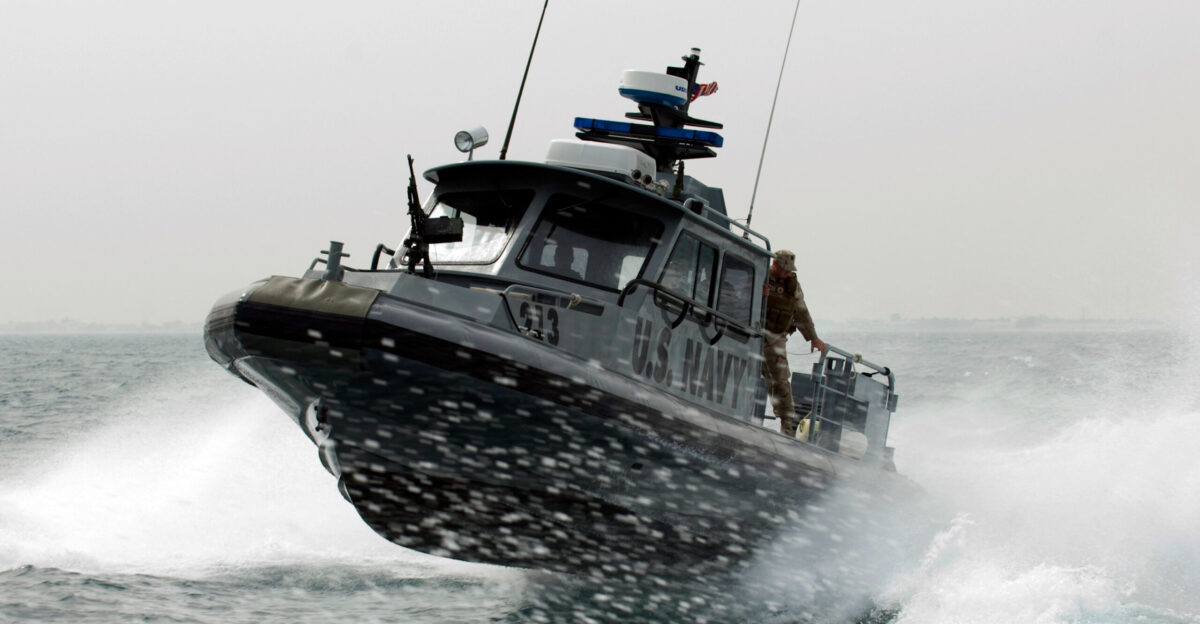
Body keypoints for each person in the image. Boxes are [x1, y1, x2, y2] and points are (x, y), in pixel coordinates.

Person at [762, 249, 826, 437]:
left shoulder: (792, 286)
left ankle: (787, 426)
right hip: (752, 330)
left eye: (790, 270)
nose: (788, 273)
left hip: (775, 337)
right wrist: (759, 293)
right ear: (775, 264)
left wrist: (813, 337)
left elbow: (801, 312)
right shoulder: (760, 274)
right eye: (784, 269)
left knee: (780, 380)